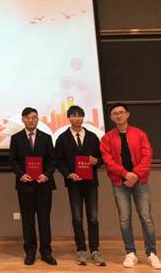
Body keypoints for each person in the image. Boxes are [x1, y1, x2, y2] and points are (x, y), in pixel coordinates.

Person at [100, 103, 161, 269]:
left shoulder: (140, 134)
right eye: (115, 114)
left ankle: (152, 253)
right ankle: (130, 253)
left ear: (127, 114)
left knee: (146, 217)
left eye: (121, 112)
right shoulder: (107, 138)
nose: (118, 116)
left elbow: (147, 156)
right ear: (111, 117)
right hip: (119, 183)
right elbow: (108, 160)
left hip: (140, 181)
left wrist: (134, 175)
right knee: (124, 219)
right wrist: (125, 174)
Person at [55, 105, 105, 266]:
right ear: (69, 118)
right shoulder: (62, 138)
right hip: (73, 183)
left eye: (79, 115)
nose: (77, 118)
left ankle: (95, 250)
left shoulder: (93, 137)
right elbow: (58, 160)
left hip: (91, 183)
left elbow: (101, 158)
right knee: (77, 218)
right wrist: (68, 174)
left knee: (93, 218)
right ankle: (81, 250)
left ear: (83, 118)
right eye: (73, 115)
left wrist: (97, 162)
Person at [9, 107, 57, 266]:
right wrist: (21, 174)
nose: (31, 120)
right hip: (25, 185)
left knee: (44, 220)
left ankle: (46, 252)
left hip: (44, 185)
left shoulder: (46, 137)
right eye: (28, 117)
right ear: (23, 119)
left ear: (37, 119)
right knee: (27, 220)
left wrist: (47, 174)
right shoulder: (16, 138)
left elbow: (52, 160)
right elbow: (13, 160)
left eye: (34, 117)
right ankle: (30, 251)